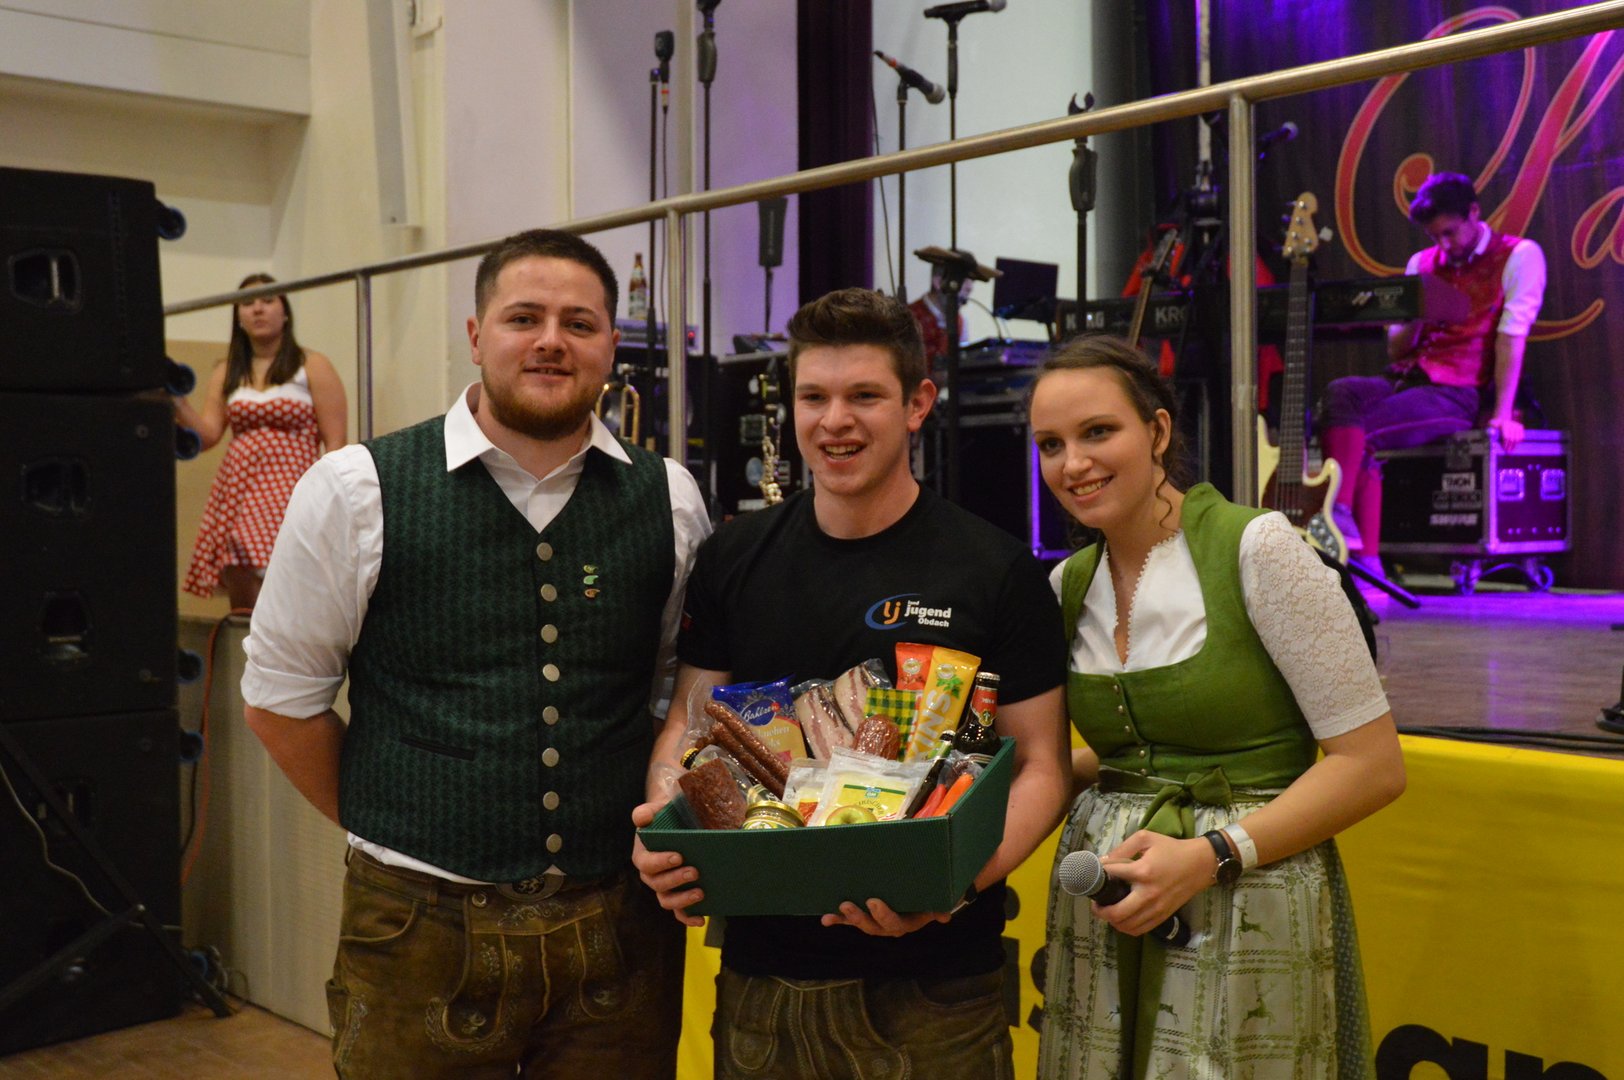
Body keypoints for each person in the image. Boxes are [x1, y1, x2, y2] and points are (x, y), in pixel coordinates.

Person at [240, 229, 711, 1079]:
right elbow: (280, 703)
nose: (551, 341)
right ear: (476, 335)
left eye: (579, 323)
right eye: (523, 318)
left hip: (621, 932)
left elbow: (676, 697)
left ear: (611, 344)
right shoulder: (356, 489)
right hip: (418, 930)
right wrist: (397, 818)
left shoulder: (669, 497)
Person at [632, 287, 1071, 1079]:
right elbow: (686, 729)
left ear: (917, 404)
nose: (835, 421)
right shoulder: (734, 558)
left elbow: (1043, 765)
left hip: (939, 993)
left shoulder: (994, 569)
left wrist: (953, 884)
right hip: (765, 988)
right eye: (814, 397)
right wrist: (666, 824)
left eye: (864, 396)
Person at [1027, 335, 1406, 1079]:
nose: (1073, 464)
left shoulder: (1258, 548)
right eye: (1051, 444)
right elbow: (1134, 751)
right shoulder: (1067, 584)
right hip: (1108, 910)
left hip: (1247, 896)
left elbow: (1372, 766)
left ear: (1158, 431)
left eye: (1098, 431)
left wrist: (1211, 855)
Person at [1320, 172, 1546, 570]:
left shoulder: (1519, 255)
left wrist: (1503, 413)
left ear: (1474, 212)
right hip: (1407, 377)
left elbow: (1511, 339)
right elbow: (1397, 350)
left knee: (1364, 432)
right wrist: (1416, 311)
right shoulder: (1422, 264)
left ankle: (1359, 550)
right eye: (1434, 236)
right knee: (1340, 394)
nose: (1443, 244)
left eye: (1450, 233)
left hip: (1455, 391)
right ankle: (1343, 522)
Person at [178, 274, 347, 610]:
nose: (258, 309)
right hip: (239, 487)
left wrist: (331, 500)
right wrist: (176, 402)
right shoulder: (228, 370)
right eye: (247, 303)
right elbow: (208, 434)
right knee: (237, 559)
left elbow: (336, 441)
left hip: (290, 485)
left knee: (283, 570)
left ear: (285, 312)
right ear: (237, 317)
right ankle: (248, 637)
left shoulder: (312, 365)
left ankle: (280, 636)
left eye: (268, 300)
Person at [908, 263, 974, 367]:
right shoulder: (908, 317)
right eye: (963, 279)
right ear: (938, 282)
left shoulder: (960, 321)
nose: (970, 286)